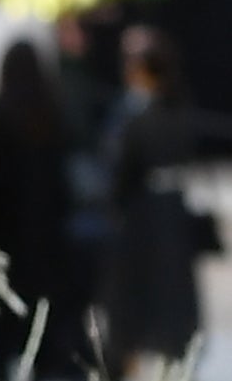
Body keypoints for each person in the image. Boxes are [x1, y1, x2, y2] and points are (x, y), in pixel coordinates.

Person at [0, 39, 84, 379]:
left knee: (4, 334)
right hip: (48, 244)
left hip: (4, 244)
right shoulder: (52, 114)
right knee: (43, 334)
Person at [102, 27, 206, 375]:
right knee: (166, 309)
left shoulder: (139, 115)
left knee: (140, 310)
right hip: (166, 217)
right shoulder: (174, 110)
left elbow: (121, 171)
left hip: (145, 222)